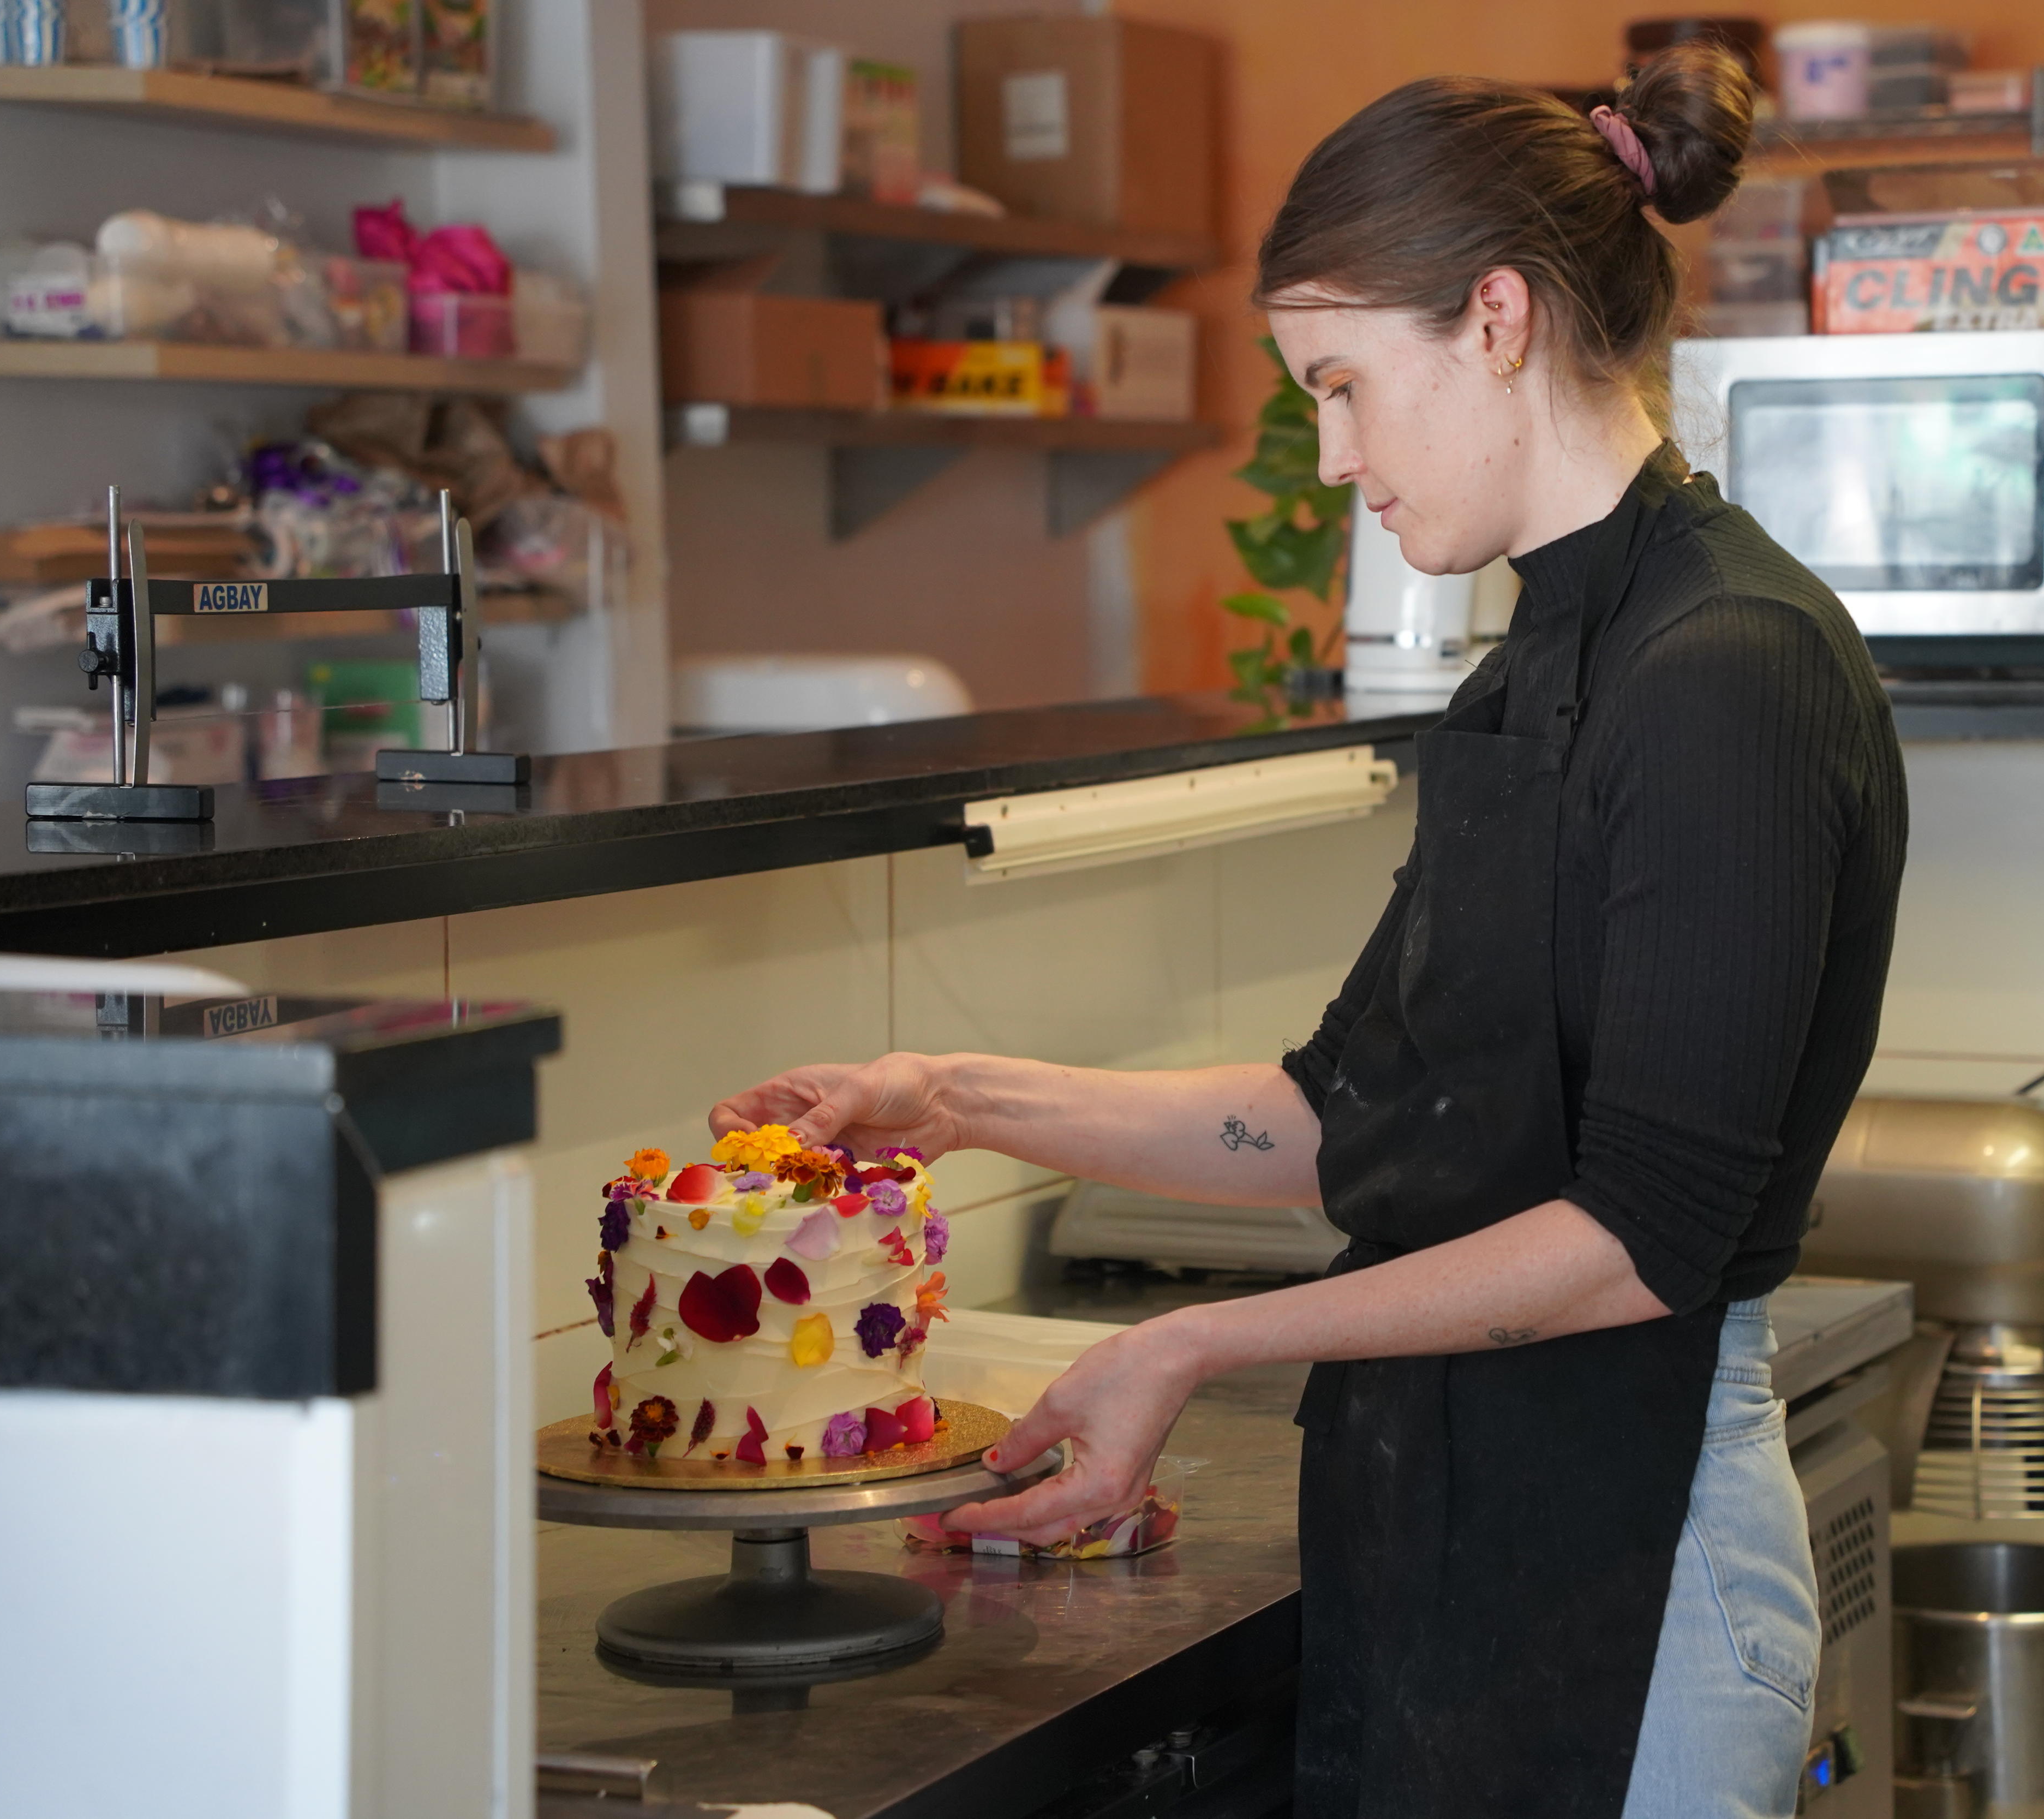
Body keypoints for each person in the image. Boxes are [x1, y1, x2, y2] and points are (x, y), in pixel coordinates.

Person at [710, 40, 1906, 1819]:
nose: (1337, 456)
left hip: (1637, 1548)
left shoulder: (1727, 667)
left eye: (1345, 385)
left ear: (1496, 319)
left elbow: (1640, 1242)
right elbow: (1349, 1111)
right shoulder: (1541, 664)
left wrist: (1194, 1341)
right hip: (1454, 1513)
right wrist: (954, 1095)